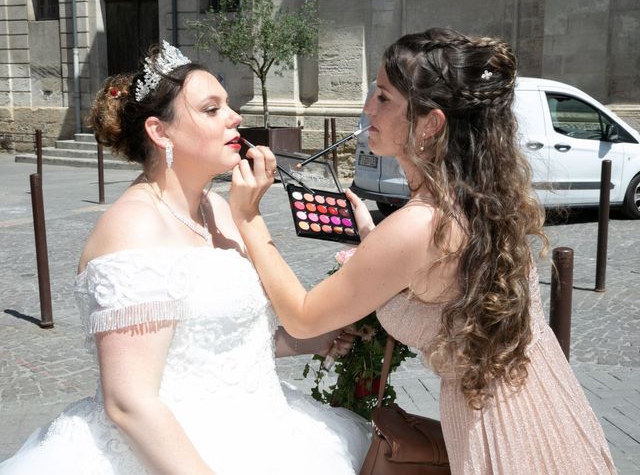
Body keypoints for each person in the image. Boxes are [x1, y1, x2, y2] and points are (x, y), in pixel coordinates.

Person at [229, 28, 618, 474]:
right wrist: (377, 242)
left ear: (431, 123)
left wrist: (248, 219)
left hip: (501, 433)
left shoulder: (420, 223)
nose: (366, 108)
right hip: (547, 405)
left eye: (384, 98)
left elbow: (302, 316)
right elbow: (437, 270)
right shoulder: (475, 197)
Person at [0, 41, 370, 475]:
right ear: (161, 132)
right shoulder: (133, 228)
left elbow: (222, 344)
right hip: (173, 452)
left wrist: (311, 340)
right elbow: (129, 403)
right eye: (212, 109)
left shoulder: (218, 209)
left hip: (261, 430)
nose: (235, 118)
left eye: (228, 106)